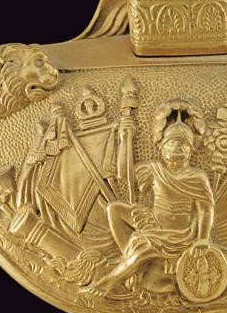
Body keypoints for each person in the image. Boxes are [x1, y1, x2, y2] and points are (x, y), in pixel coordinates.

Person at [84, 115, 214, 295]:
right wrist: (125, 139)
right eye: (171, 143)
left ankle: (109, 282)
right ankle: (130, 261)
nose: (177, 147)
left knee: (142, 252)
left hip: (179, 234)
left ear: (191, 149)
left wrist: (203, 239)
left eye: (183, 144)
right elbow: (124, 174)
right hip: (153, 222)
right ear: (162, 147)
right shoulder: (154, 169)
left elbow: (205, 209)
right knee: (114, 209)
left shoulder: (197, 177)